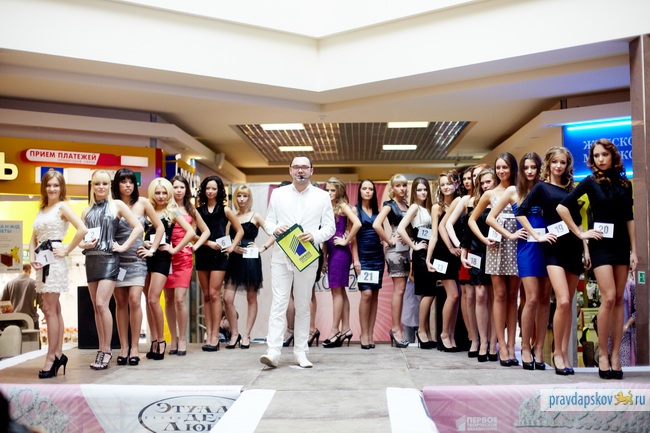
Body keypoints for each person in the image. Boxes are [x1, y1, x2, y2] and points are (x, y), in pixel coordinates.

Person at [557, 139, 636, 380]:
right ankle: (603, 354)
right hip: (601, 245)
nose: (600, 159)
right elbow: (562, 207)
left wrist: (634, 251)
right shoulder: (590, 181)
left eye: (604, 155)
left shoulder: (624, 183)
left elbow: (629, 218)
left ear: (613, 156)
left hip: (621, 245)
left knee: (619, 300)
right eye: (596, 155)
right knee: (609, 297)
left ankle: (615, 356)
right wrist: (580, 233)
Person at [260, 155, 335, 368]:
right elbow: (268, 222)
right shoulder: (278, 194)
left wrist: (315, 236)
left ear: (311, 170)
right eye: (296, 167)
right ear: (290, 170)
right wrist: (276, 229)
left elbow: (329, 227)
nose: (300, 170)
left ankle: (301, 352)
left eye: (304, 167)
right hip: (281, 255)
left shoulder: (322, 196)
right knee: (279, 303)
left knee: (303, 305)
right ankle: (273, 351)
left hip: (306, 256)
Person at [516, 146, 586, 376]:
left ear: (567, 165)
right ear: (549, 163)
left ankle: (563, 354)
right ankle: (555, 353)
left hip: (574, 247)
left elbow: (578, 221)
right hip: (553, 248)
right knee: (562, 301)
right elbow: (521, 212)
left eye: (563, 162)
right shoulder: (541, 187)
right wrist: (537, 236)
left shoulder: (572, 189)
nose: (559, 166)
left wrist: (586, 247)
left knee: (569, 303)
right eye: (555, 162)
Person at [487, 152, 549, 370]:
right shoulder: (514, 190)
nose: (530, 171)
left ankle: (536, 348)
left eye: (534, 167)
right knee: (527, 298)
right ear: (521, 170)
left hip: (546, 245)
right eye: (526, 167)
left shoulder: (544, 188)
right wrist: (510, 234)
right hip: (523, 247)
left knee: (540, 298)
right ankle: (512, 347)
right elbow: (490, 218)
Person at [80, 169, 142, 370]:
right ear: (92, 186)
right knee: (96, 307)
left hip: (109, 259)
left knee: (101, 303)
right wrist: (83, 244)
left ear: (110, 185)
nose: (101, 187)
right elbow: (80, 238)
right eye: (97, 183)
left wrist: (123, 247)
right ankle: (102, 348)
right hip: (91, 259)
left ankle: (106, 350)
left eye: (105, 183)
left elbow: (138, 227)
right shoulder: (86, 211)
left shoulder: (117, 205)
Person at [28, 170, 87, 378]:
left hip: (55, 259)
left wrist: (66, 250)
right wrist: (31, 257)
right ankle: (58, 354)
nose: (52, 188)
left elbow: (82, 229)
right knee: (54, 308)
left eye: (56, 185)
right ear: (43, 187)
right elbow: (33, 238)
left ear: (61, 188)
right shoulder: (42, 208)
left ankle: (51, 357)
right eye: (48, 185)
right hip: (41, 260)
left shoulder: (62, 207)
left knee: (48, 308)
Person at [471, 153, 521, 367]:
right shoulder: (490, 194)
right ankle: (501, 346)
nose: (501, 171)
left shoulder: (520, 190)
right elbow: (473, 219)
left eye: (505, 167)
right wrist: (484, 239)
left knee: (513, 297)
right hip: (496, 247)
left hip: (517, 245)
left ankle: (511, 344)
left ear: (512, 168)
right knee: (499, 295)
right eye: (498, 167)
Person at [111, 168, 163, 366]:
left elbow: (160, 227)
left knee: (135, 300)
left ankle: (134, 347)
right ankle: (123, 347)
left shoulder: (143, 203)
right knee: (120, 303)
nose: (128, 185)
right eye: (123, 181)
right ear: (117, 184)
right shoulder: (112, 204)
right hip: (117, 260)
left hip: (137, 259)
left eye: (131, 181)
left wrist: (153, 249)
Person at [141, 177, 195, 361]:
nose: (161, 196)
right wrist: (143, 242)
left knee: (153, 298)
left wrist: (174, 249)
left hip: (163, 258)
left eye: (164, 192)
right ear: (152, 193)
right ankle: (154, 340)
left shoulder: (172, 210)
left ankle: (162, 341)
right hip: (145, 256)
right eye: (157, 192)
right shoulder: (147, 209)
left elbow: (191, 232)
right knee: (148, 301)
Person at [442, 164, 488, 358]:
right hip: (469, 251)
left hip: (487, 250)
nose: (472, 181)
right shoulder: (464, 200)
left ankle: (487, 340)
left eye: (475, 177)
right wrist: (459, 245)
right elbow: (446, 225)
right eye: (468, 178)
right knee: (469, 295)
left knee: (485, 295)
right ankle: (473, 338)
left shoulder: (489, 197)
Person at [194, 176, 244, 352]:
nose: (210, 191)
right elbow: (193, 234)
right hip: (203, 253)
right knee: (206, 295)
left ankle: (215, 335)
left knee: (215, 294)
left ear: (219, 191)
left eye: (214, 189)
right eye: (208, 188)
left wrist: (231, 247)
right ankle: (208, 334)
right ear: (203, 190)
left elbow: (240, 230)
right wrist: (207, 243)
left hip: (219, 255)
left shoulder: (225, 210)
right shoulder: (197, 211)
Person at [164, 175, 210, 356]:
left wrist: (195, 246)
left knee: (179, 299)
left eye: (181, 187)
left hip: (183, 257)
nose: (178, 190)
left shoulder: (191, 210)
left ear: (186, 190)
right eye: (175, 187)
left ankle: (182, 338)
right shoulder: (166, 208)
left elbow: (205, 231)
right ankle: (173, 338)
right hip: (166, 256)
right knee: (168, 299)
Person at [223, 184, 271, 349]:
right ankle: (234, 333)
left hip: (251, 260)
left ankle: (247, 335)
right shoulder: (232, 216)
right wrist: (232, 247)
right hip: (234, 260)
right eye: (239, 196)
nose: (242, 199)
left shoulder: (255, 216)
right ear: (235, 198)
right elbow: (225, 239)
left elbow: (273, 233)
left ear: (249, 198)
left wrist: (262, 248)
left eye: (245, 196)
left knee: (251, 298)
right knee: (227, 298)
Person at [321, 177, 361, 348]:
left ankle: (334, 330)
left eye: (332, 190)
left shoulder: (343, 206)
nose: (329, 193)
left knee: (336, 292)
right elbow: (325, 236)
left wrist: (346, 241)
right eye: (327, 190)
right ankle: (345, 329)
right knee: (340, 292)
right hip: (331, 253)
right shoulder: (326, 207)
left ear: (339, 191)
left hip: (340, 253)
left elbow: (357, 224)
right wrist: (324, 258)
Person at [373, 174, 410, 348]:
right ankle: (396, 330)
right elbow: (376, 224)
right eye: (398, 185)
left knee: (402, 290)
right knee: (399, 290)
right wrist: (388, 240)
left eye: (404, 185)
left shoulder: (407, 205)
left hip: (406, 249)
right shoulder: (390, 205)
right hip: (395, 251)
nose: (402, 188)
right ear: (392, 188)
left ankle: (396, 329)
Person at [426, 171, 462, 351]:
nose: (446, 187)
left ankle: (452, 334)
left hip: (458, 253)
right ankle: (444, 334)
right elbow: (434, 234)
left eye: (449, 183)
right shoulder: (436, 207)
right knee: (453, 295)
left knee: (457, 297)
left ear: (456, 184)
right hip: (443, 253)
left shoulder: (461, 202)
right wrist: (428, 258)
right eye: (442, 184)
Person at [397, 177, 434, 349]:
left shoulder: (427, 208)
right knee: (427, 293)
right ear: (414, 192)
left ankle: (426, 332)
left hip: (429, 253)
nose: (423, 192)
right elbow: (400, 228)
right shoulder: (414, 207)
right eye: (419, 190)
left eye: (425, 189)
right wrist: (414, 246)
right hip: (420, 254)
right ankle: (421, 331)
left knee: (429, 293)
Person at [466, 168, 497, 363]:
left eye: (488, 182)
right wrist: (464, 251)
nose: (485, 186)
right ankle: (482, 341)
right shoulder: (474, 202)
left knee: (495, 297)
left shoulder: (501, 198)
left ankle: (493, 342)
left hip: (497, 249)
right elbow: (468, 228)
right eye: (482, 183)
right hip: (478, 250)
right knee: (480, 295)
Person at [352, 180, 385, 349]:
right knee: (366, 294)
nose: (367, 191)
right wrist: (356, 260)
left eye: (370, 189)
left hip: (377, 257)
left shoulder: (378, 211)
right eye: (364, 188)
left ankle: (371, 334)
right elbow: (353, 238)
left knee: (374, 296)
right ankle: (363, 333)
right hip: (363, 258)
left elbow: (381, 233)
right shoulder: (354, 210)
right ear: (360, 191)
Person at [2, 263, 42, 330]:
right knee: (33, 337)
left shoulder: (9, 284)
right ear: (29, 271)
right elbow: (42, 303)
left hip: (13, 322)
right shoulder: (35, 284)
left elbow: (2, 303)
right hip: (31, 321)